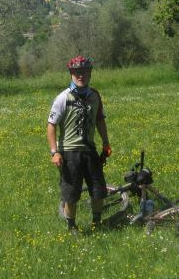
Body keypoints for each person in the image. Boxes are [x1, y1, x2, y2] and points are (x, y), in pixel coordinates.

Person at [47, 55, 112, 231]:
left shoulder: (95, 96)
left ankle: (96, 223)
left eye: (84, 72)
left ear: (90, 74)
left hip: (90, 151)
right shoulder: (63, 98)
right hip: (69, 153)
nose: (80, 75)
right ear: (71, 74)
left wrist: (106, 143)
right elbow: (51, 126)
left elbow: (99, 120)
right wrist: (55, 152)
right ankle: (72, 227)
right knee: (71, 194)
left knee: (98, 190)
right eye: (76, 72)